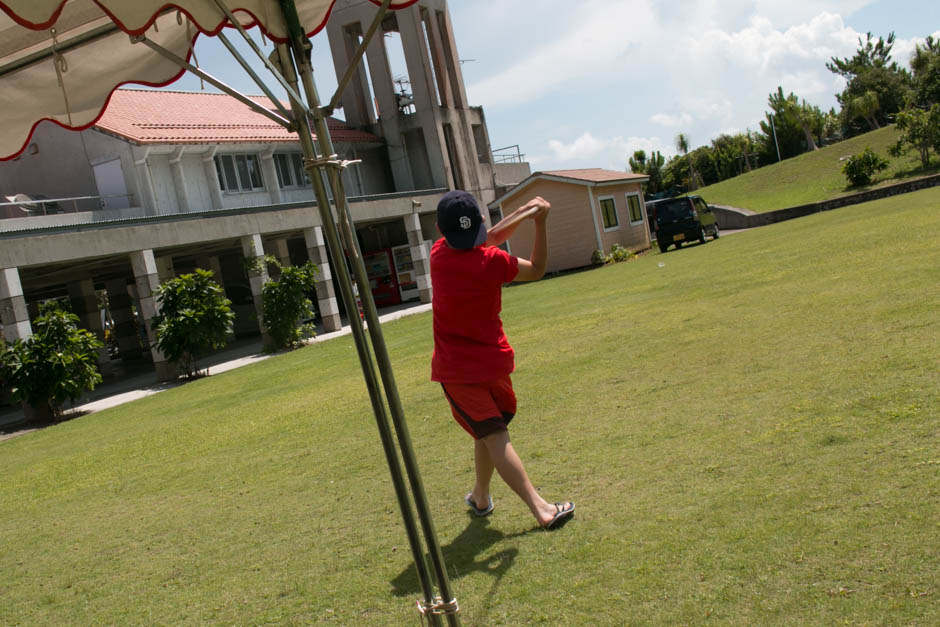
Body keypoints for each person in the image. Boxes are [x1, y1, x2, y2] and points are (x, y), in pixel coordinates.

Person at [430, 189, 575, 530]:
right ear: (479, 223)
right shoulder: (493, 262)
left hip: (458, 372)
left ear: (441, 230)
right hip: (492, 366)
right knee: (493, 434)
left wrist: (526, 212)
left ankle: (482, 495)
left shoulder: (438, 255)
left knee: (490, 434)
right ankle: (540, 508)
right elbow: (537, 268)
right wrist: (539, 223)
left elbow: (489, 236)